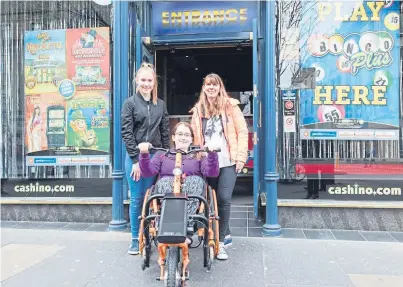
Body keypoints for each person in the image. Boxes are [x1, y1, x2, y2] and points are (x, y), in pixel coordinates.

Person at [190, 73, 248, 260]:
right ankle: (220, 231)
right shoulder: (198, 110)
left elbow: (242, 131)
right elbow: (195, 137)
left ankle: (221, 241)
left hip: (227, 160)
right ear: (204, 88)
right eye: (208, 85)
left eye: (214, 84)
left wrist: (240, 158)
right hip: (207, 162)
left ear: (220, 87)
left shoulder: (231, 106)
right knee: (209, 199)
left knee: (223, 198)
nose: (211, 88)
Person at [121, 62, 170, 255]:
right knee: (137, 199)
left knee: (153, 198)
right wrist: (134, 160)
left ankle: (151, 235)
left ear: (154, 82)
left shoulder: (160, 104)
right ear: (137, 81)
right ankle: (135, 239)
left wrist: (166, 154)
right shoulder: (130, 103)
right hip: (136, 157)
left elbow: (164, 131)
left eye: (149, 80)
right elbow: (126, 132)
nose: (146, 84)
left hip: (155, 156)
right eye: (143, 80)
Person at [138, 122, 219, 216]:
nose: (183, 138)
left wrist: (212, 154)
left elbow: (212, 173)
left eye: (187, 135)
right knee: (164, 182)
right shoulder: (162, 154)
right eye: (179, 134)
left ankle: (187, 218)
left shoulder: (199, 155)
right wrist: (144, 154)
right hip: (166, 195)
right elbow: (147, 173)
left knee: (196, 181)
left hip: (192, 196)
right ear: (173, 137)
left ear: (191, 139)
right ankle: (170, 216)